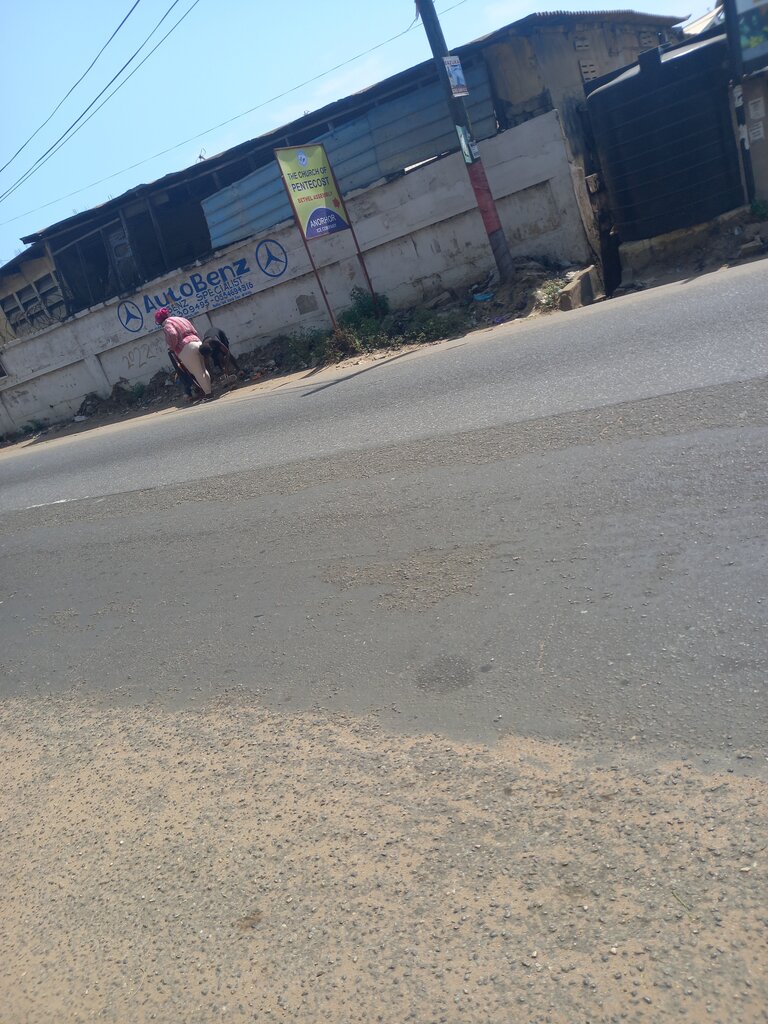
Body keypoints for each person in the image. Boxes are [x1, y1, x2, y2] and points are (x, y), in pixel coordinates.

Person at [154, 308, 212, 399]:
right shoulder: (181, 319)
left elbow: (173, 334)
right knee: (203, 369)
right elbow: (195, 331)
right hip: (197, 342)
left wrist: (173, 347)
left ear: (159, 321)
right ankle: (209, 391)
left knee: (197, 372)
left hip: (186, 347)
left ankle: (208, 394)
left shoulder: (167, 325)